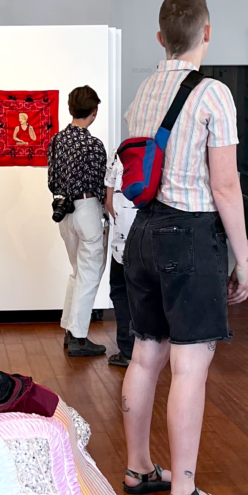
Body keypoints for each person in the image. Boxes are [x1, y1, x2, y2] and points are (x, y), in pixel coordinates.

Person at [121, 0, 248, 495]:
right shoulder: (214, 93)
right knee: (190, 367)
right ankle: (187, 493)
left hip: (144, 232)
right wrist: (243, 260)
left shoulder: (143, 91)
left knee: (145, 355)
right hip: (191, 236)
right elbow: (224, 187)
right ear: (208, 31)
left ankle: (139, 469)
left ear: (160, 38)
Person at [47, 86, 108, 358]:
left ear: (71, 109)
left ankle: (70, 329)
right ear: (94, 112)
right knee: (90, 273)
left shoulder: (57, 140)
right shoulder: (93, 145)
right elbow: (101, 184)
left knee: (77, 272)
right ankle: (78, 337)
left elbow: (51, 180)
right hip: (87, 208)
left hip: (64, 211)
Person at [104, 152, 136, 368]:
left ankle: (127, 351)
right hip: (154, 238)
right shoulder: (163, 151)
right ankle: (157, 352)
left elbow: (108, 201)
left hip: (122, 242)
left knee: (121, 293)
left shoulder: (120, 154)